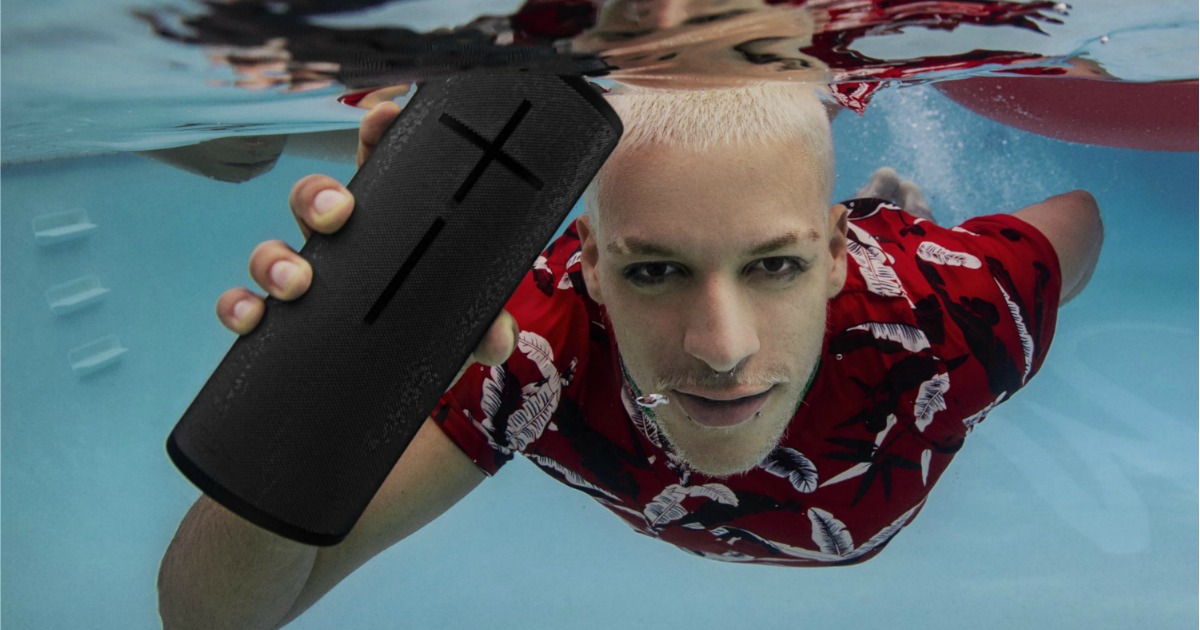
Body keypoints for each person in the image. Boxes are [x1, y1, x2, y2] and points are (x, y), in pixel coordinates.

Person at [157, 82, 1102, 628]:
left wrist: (931, 240)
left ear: (832, 255)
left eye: (776, 265)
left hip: (885, 265)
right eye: (655, 272)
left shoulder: (948, 318)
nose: (723, 352)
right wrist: (332, 386)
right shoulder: (532, 350)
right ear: (594, 268)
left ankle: (876, 207)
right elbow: (212, 619)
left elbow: (1078, 226)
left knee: (892, 233)